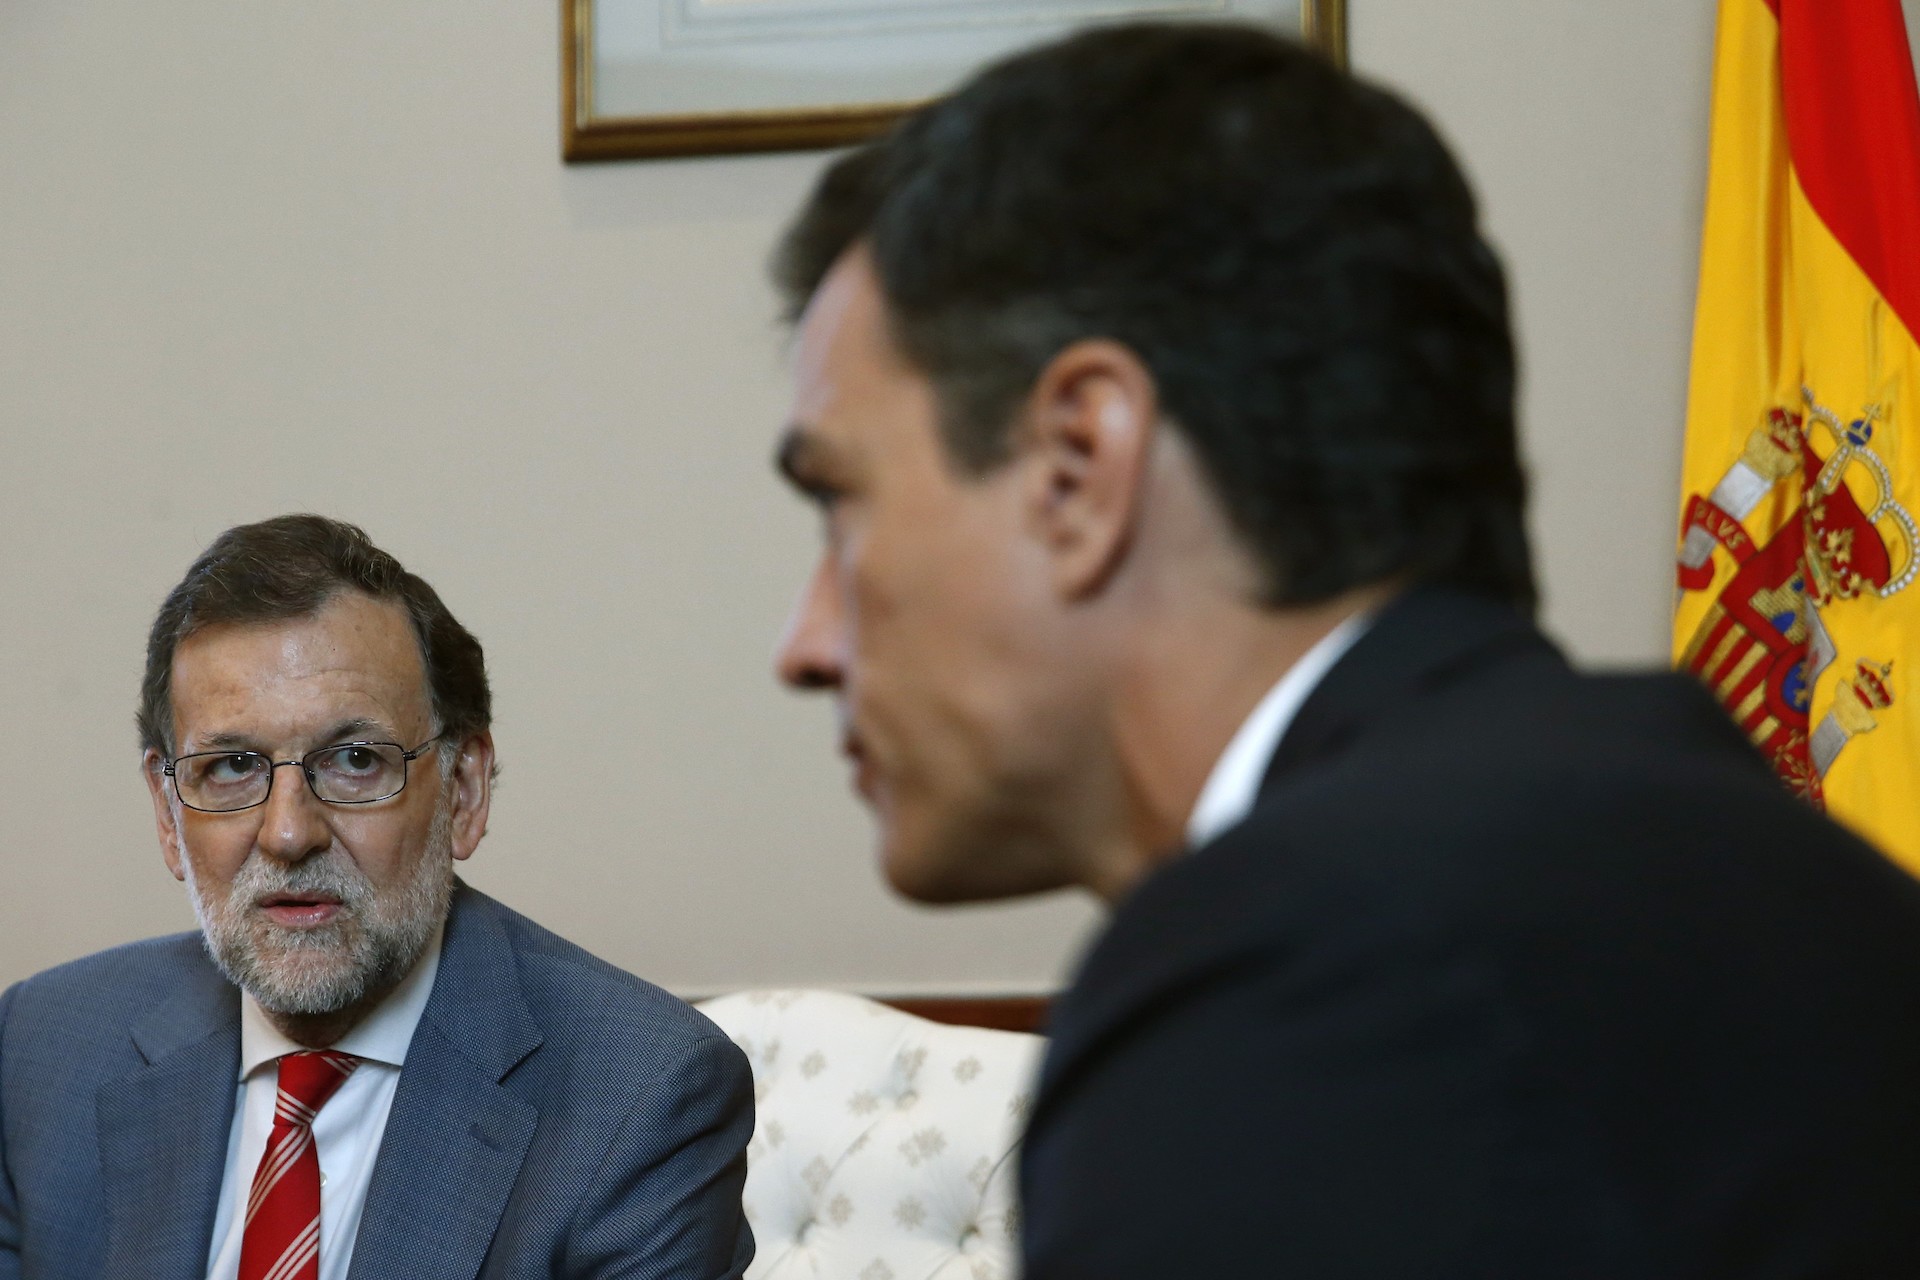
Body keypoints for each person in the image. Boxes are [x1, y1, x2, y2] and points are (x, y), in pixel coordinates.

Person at [768, 21, 1920, 1277]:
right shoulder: (1795, 878)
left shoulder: (1301, 980)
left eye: (840, 505)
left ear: (1079, 467)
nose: (806, 644)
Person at [0, 515, 753, 1280]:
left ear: (463, 791)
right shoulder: (41, 1047)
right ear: (168, 814)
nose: (288, 833)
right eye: (231, 768)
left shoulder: (642, 1098)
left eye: (355, 760)